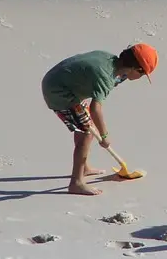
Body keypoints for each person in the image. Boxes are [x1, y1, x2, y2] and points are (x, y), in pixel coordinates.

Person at [41, 43, 158, 195]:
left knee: (86, 127)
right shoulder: (105, 77)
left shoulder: (110, 60)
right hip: (58, 91)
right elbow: (95, 108)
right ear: (136, 69)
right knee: (87, 133)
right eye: (142, 74)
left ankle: (84, 167)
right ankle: (76, 183)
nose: (140, 78)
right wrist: (104, 135)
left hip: (64, 83)